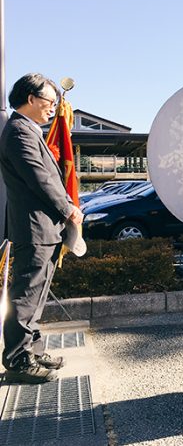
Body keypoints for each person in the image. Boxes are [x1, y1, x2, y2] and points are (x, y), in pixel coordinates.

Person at [0, 73, 83, 384]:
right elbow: (41, 179)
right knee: (26, 295)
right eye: (50, 101)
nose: (53, 108)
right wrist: (69, 209)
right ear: (31, 99)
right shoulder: (20, 132)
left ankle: (33, 350)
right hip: (34, 227)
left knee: (36, 295)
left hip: (43, 229)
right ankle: (18, 360)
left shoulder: (27, 129)